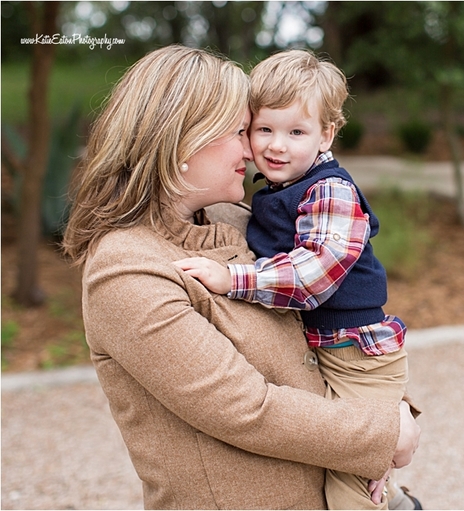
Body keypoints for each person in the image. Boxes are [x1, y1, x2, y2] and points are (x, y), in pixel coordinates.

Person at [61, 44, 420, 510]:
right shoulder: (126, 270)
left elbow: (317, 321)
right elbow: (246, 408)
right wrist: (385, 433)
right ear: (181, 142)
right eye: (241, 130)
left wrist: (391, 407)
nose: (254, 149)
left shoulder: (234, 218)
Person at [173, 49, 421, 510]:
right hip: (321, 351)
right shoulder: (274, 193)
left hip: (355, 357)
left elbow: (312, 276)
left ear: (326, 134)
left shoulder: (330, 190)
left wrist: (232, 278)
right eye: (263, 129)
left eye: (296, 132)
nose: (275, 146)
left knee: (351, 492)